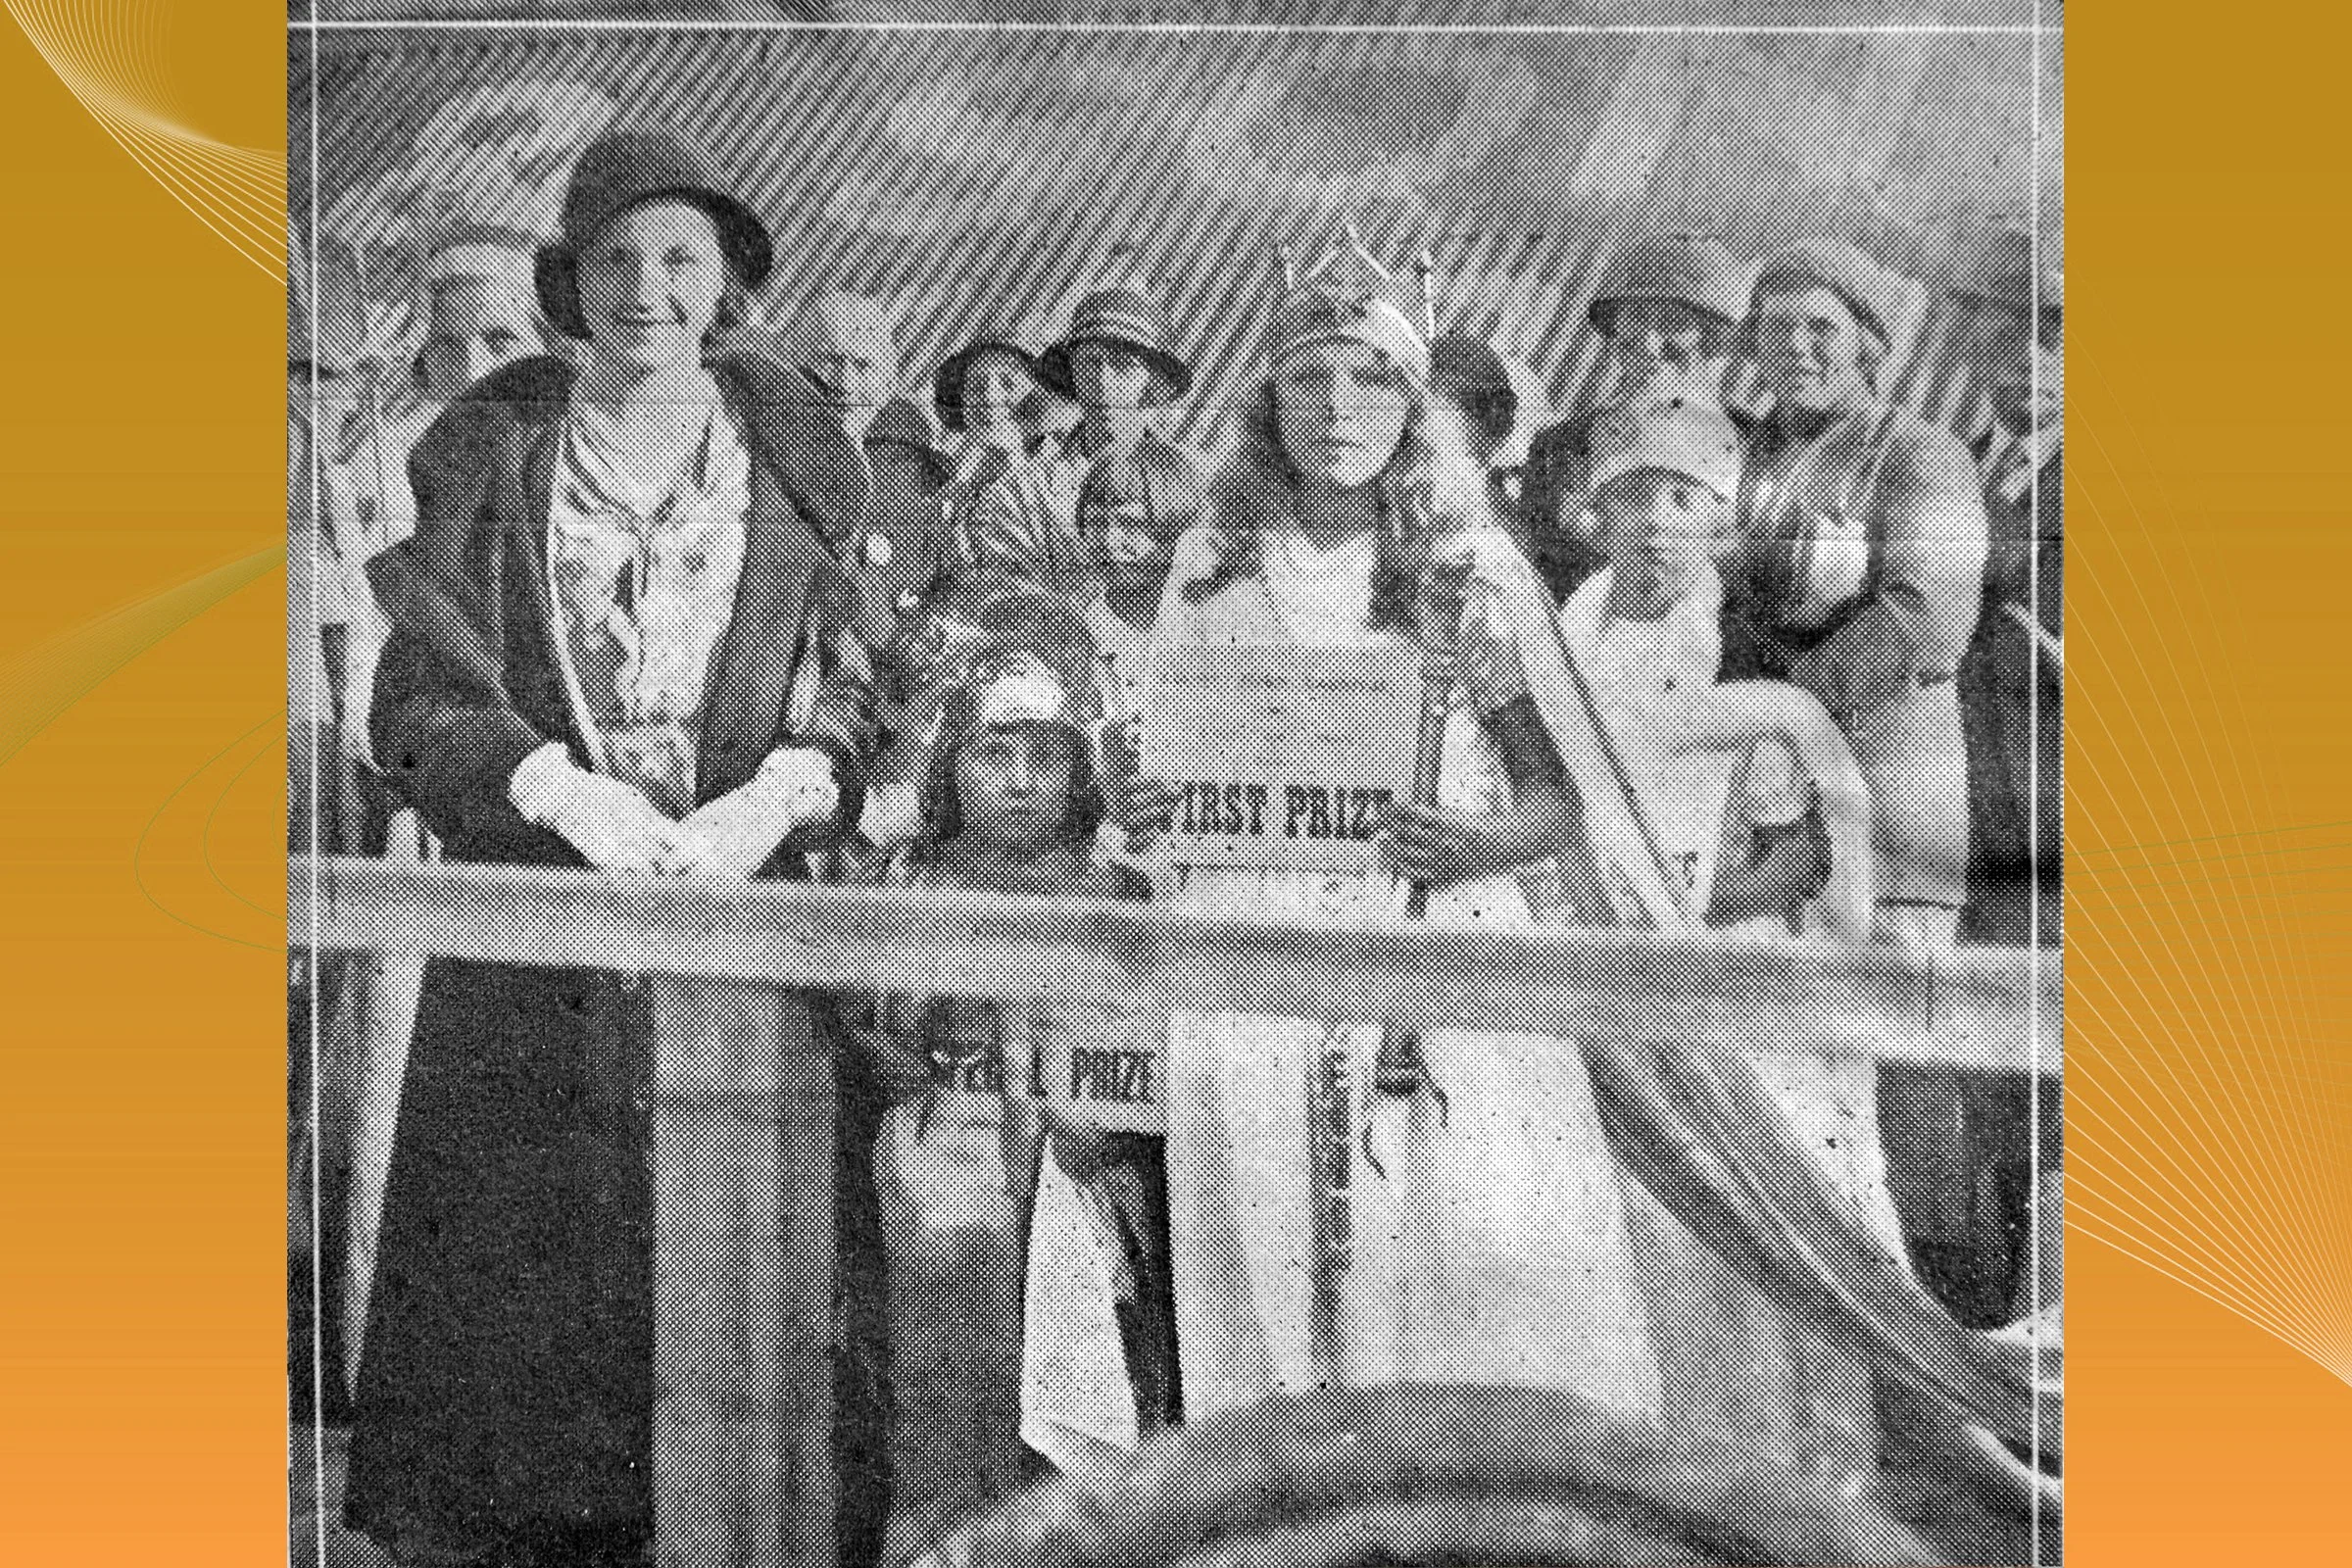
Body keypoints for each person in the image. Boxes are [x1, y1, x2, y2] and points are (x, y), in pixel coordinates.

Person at [344, 130, 882, 1568]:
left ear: (728, 280)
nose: (648, 289)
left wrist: (775, 797)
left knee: (742, 1298)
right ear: (570, 282)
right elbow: (415, 700)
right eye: (615, 259)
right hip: (537, 943)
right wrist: (555, 793)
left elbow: (856, 680)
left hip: (742, 933)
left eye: (679, 258)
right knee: (532, 1300)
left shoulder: (795, 456)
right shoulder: (499, 453)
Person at [1146, 245, 1662, 1420]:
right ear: (1268, 401)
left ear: (1413, 406)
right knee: (1274, 1263)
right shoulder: (1211, 561)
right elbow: (1181, 769)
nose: (1338, 409)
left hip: (1430, 934)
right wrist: (1153, 805)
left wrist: (1473, 845)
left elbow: (1558, 803)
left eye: (1371, 380)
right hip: (1256, 941)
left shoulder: (1463, 566)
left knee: (1450, 1256)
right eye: (1309, 378)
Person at [1555, 398, 1904, 1483]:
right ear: (1598, 512)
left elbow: (1802, 855)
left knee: (1750, 1239)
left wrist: (1685, 907)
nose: (1659, 523)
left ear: (1720, 518)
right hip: (1599, 989)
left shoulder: (1745, 655)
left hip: (1726, 991)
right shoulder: (1567, 638)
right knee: (1631, 1243)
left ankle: (1796, 1492)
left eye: (1686, 499)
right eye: (1635, 497)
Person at [844, 632, 1159, 1566]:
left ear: (1082, 771)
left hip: (1090, 1147)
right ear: (952, 764)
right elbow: (873, 1027)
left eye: (1046, 758)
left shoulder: (1119, 888)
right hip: (953, 1131)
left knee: (1098, 1370)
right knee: (950, 1358)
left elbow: (1146, 1041)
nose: (1020, 781)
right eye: (993, 754)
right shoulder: (914, 882)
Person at [1947, 226, 2067, 1333]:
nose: (2026, 357)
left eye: (2056, 336)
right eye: (2003, 331)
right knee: (1990, 1083)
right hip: (1970, 827)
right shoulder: (1960, 472)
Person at [1519, 232, 1752, 603]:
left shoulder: (1757, 449)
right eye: (1636, 318)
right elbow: (1532, 586)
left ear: (1715, 339)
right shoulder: (1559, 448)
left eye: (1673, 322)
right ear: (1616, 332)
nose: (1649, 344)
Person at [965, 278, 1203, 598]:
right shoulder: (1023, 489)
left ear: (1150, 379)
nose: (1103, 381)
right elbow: (1004, 596)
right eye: (1090, 362)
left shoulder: (1187, 479)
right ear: (1072, 370)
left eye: (1123, 365)